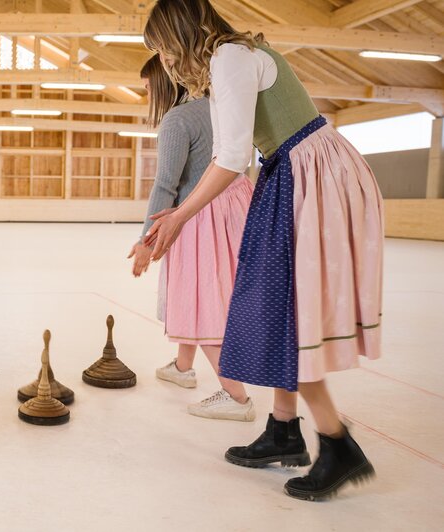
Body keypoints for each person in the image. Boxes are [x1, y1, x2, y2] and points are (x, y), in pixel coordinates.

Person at [143, 0, 382, 501]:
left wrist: (178, 217)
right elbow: (229, 150)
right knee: (274, 307)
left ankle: (337, 444)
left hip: (306, 175)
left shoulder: (229, 56)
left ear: (179, 35)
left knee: (285, 314)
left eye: (162, 47)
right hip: (290, 171)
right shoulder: (229, 59)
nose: (163, 60)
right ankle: (283, 430)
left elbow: (230, 158)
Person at [129, 55, 255, 421]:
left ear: (165, 83)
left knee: (201, 302)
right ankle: (183, 368)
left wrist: (144, 241)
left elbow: (165, 187)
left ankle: (235, 395)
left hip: (201, 217)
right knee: (202, 295)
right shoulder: (215, 107)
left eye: (149, 88)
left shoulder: (176, 120)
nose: (147, 95)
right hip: (238, 207)